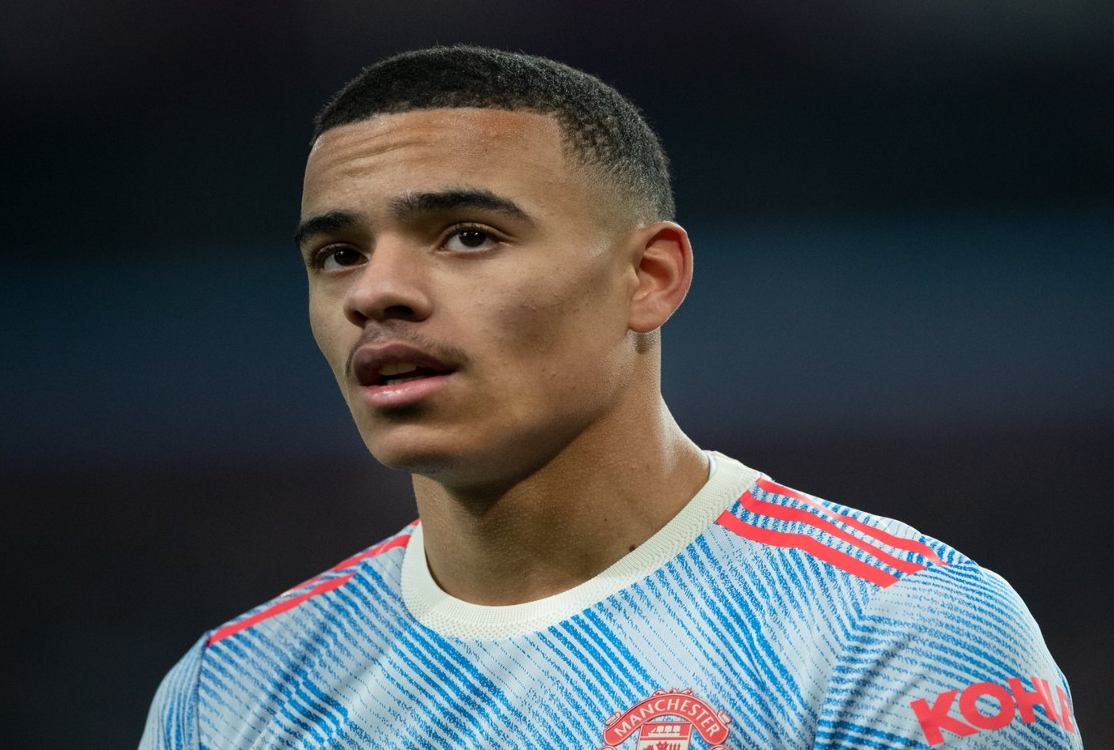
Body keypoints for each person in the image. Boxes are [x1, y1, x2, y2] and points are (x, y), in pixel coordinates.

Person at [139, 46, 1081, 749]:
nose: (375, 292)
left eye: (467, 235)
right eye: (338, 254)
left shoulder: (893, 629)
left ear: (649, 278)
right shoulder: (226, 696)